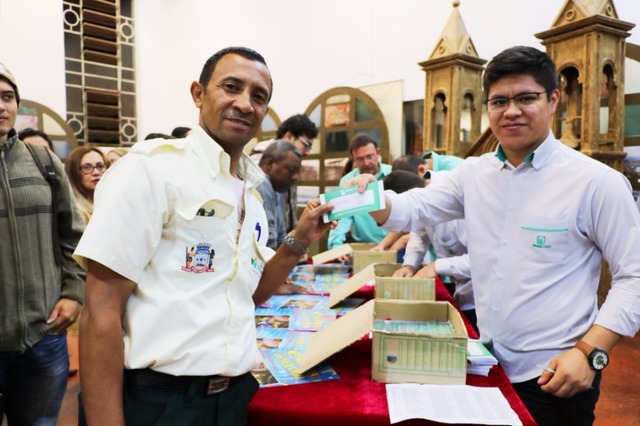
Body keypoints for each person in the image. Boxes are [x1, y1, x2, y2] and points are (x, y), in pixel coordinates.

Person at [346, 46, 640, 426]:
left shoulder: (596, 183)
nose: (511, 110)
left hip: (556, 371)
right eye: (499, 101)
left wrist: (589, 353)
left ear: (554, 99)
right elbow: (413, 208)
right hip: (487, 362)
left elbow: (633, 276)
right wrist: (370, 195)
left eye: (526, 98)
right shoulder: (474, 174)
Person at [73, 46, 333, 426]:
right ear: (198, 94)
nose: (245, 103)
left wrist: (298, 239)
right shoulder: (151, 170)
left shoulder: (252, 194)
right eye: (231, 87)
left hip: (232, 399)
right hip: (161, 401)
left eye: (258, 97)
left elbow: (250, 295)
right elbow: (101, 309)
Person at [0, 62, 85, 425]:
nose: (1, 106)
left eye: (7, 97)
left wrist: (73, 292)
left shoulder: (42, 161)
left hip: (43, 336)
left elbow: (75, 236)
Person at [384, 170, 476, 333]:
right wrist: (409, 265)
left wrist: (436, 267)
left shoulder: (457, 198)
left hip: (481, 294)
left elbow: (480, 261)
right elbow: (419, 233)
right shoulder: (423, 199)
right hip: (459, 284)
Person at [250, 114, 319, 232]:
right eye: (306, 145)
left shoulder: (289, 161)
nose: (307, 152)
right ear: (289, 136)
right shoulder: (258, 163)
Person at [327, 133, 391, 249]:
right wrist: (336, 247)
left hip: (395, 246)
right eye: (360, 159)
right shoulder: (348, 181)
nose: (366, 163)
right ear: (353, 160)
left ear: (378, 153)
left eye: (370, 156)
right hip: (364, 247)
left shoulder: (392, 174)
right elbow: (342, 217)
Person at [256, 140, 302, 250]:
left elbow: (282, 238)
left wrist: (298, 248)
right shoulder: (261, 184)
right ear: (269, 164)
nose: (296, 177)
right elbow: (269, 244)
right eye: (291, 170)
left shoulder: (276, 190)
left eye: (297, 172)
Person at [64, 146, 108, 225]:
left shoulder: (109, 201)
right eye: (87, 167)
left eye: (100, 166)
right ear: (74, 172)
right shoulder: (74, 210)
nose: (96, 172)